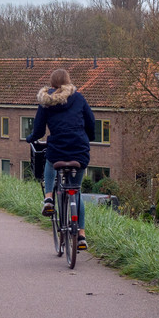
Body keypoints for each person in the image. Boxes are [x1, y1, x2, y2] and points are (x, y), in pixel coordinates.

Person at [24, 68, 95, 250]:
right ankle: (81, 235)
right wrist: (89, 137)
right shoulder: (79, 98)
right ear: (68, 81)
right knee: (76, 191)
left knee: (49, 162)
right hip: (80, 149)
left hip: (58, 148)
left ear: (52, 84)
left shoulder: (46, 102)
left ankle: (48, 198)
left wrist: (31, 138)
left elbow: (39, 130)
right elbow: (91, 121)